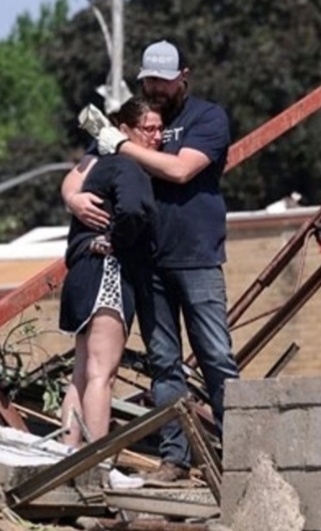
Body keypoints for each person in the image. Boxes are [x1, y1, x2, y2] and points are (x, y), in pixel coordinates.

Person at [62, 40, 239, 481]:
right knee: (164, 361)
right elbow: (80, 173)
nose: (157, 88)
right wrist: (73, 198)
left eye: (164, 80)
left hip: (196, 256)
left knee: (215, 354)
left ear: (184, 77)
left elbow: (179, 170)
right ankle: (175, 458)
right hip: (147, 263)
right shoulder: (134, 118)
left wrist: (120, 143)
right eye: (150, 80)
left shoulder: (207, 119)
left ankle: (241, 450)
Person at [58, 96, 162, 448]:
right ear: (124, 132)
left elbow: (72, 186)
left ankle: (67, 454)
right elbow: (132, 211)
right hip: (108, 273)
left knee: (82, 374)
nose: (157, 136)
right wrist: (117, 241)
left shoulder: (101, 168)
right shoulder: (127, 167)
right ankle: (93, 463)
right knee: (103, 374)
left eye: (160, 128)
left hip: (83, 273)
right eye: (148, 129)